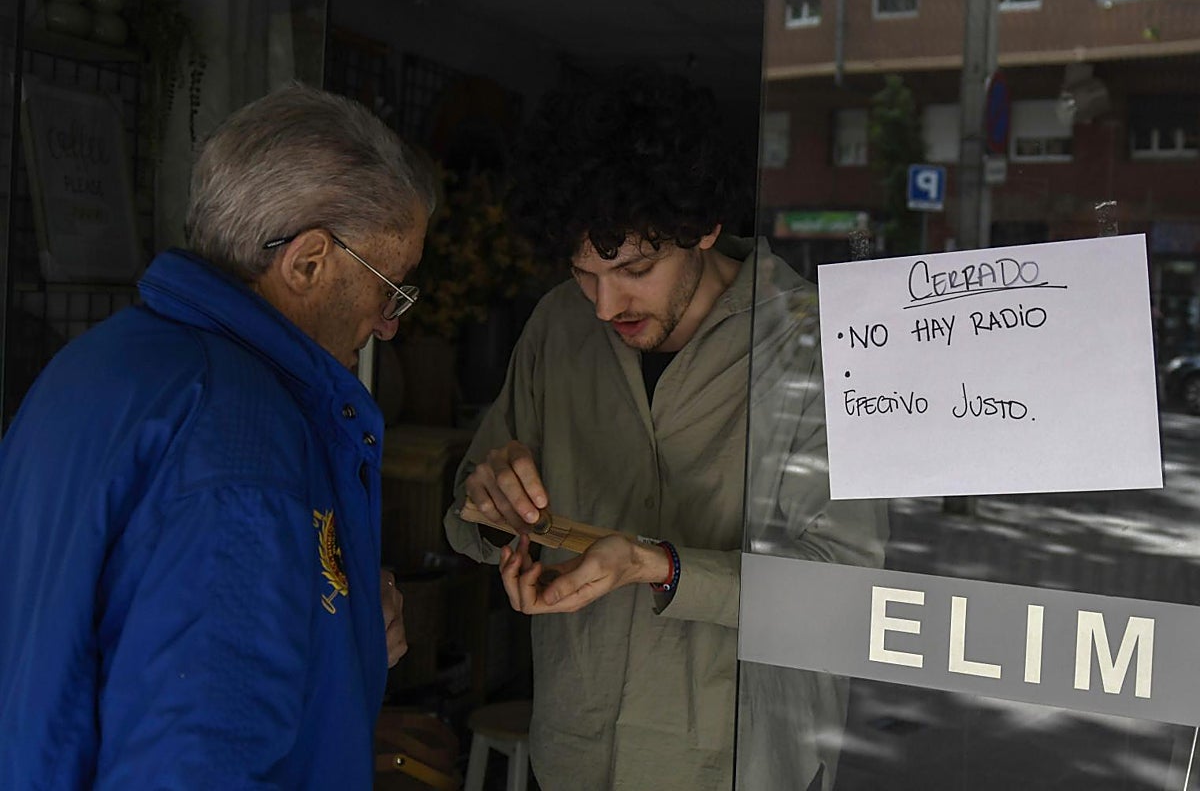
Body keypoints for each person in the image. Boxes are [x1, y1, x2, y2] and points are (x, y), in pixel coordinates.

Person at [442, 69, 889, 790]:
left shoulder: (817, 343)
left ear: (705, 226)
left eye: (636, 269)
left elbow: (849, 589)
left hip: (737, 764)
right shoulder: (559, 326)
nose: (603, 304)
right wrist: (492, 512)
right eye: (584, 273)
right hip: (575, 754)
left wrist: (661, 566)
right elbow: (467, 512)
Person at [0, 83, 430, 789]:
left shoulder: (99, 362)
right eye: (392, 286)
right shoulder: (241, 438)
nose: (390, 322)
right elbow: (199, 756)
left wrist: (338, 636)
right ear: (308, 262)